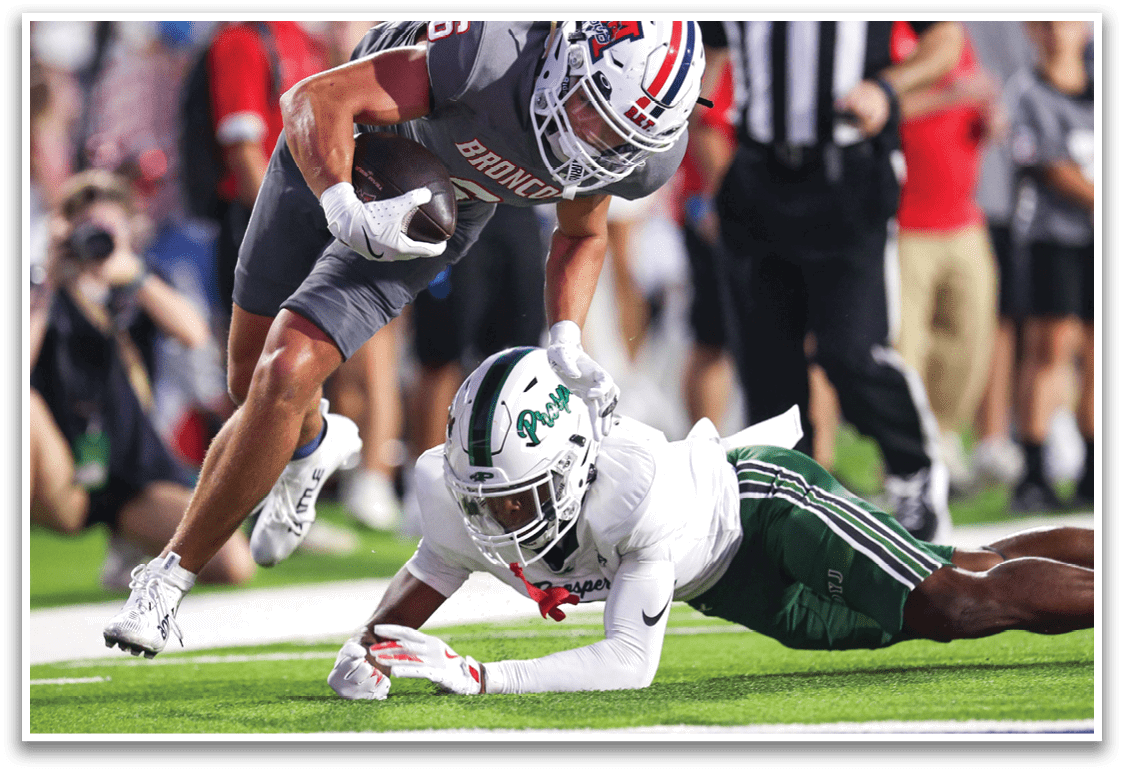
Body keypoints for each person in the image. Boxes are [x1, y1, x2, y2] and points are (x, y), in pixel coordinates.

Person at [102, 20, 707, 658]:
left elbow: (582, 231)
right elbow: (314, 100)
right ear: (566, 58)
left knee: (284, 371)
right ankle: (311, 441)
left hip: (431, 205)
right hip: (342, 142)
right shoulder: (490, 55)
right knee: (247, 377)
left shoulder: (637, 144)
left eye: (620, 136)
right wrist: (341, 206)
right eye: (591, 111)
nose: (596, 142)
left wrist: (565, 337)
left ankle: (167, 579)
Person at [323, 347, 1093, 700]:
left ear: (575, 462)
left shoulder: (633, 490)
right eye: (486, 499)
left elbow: (630, 663)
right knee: (945, 580)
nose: (500, 517)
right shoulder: (459, 497)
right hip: (731, 586)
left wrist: (483, 677)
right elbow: (423, 580)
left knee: (949, 603)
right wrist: (365, 654)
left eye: (520, 497)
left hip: (766, 512)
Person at [691, 21, 967, 543]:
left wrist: (886, 87)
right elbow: (704, 60)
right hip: (756, 177)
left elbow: (945, 41)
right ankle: (788, 510)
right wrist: (706, 145)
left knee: (852, 352)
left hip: (849, 176)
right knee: (767, 368)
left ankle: (914, 471)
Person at [29, 169, 255, 589]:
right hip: (64, 475)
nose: (97, 241)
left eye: (108, 229)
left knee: (231, 565)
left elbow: (193, 333)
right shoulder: (43, 288)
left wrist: (132, 275)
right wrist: (46, 279)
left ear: (130, 230)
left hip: (131, 472)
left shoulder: (139, 282)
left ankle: (130, 544)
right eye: (87, 229)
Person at [889, 21, 1006, 492]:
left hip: (963, 216)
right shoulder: (885, 33)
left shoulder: (956, 35)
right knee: (906, 346)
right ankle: (908, 455)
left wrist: (989, 117)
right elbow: (878, 107)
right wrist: (950, 96)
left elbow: (972, 105)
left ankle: (942, 435)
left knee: (971, 337)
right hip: (904, 219)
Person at [401, 203, 550, 535]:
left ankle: (512, 492)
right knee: (441, 355)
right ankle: (423, 493)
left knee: (521, 363)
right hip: (457, 208)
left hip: (520, 209)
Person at [1007, 20, 1095, 512]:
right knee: (1051, 349)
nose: (1058, 32)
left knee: (1098, 353)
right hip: (1053, 239)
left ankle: (1093, 466)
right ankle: (1034, 470)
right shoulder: (1029, 95)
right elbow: (1052, 166)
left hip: (1096, 239)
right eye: (1047, 23)